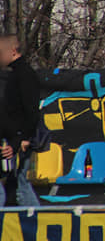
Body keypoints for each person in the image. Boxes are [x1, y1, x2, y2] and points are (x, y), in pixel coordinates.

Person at [0, 35, 40, 207]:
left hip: (21, 138)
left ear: (13, 51)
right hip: (13, 137)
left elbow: (31, 110)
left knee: (21, 184)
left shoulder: (25, 75)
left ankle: (36, 222)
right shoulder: (14, 75)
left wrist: (25, 138)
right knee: (16, 183)